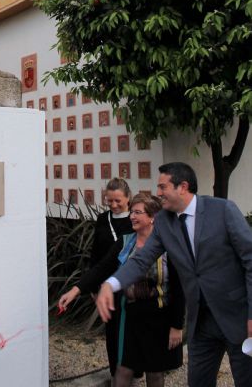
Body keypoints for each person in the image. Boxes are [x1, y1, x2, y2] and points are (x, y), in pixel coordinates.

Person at [96, 162, 252, 387]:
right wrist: (111, 284)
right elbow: (141, 260)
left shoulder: (223, 210)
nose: (158, 193)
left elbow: (250, 259)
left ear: (183, 187)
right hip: (201, 323)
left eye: (162, 187)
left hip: (237, 317)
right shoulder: (163, 222)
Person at [59, 194, 184, 386]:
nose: (132, 216)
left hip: (159, 317)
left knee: (155, 371)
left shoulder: (167, 244)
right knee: (124, 368)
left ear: (152, 217)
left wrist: (177, 326)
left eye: (138, 212)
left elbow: (178, 287)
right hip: (130, 317)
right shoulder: (126, 242)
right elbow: (101, 268)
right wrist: (75, 290)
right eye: (132, 211)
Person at [88, 179, 134, 377]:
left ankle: (134, 369)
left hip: (132, 282)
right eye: (110, 201)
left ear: (128, 198)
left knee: (132, 328)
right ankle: (116, 371)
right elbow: (96, 252)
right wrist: (92, 284)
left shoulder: (135, 218)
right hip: (107, 282)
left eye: (118, 201)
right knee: (112, 330)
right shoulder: (102, 219)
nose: (114, 205)